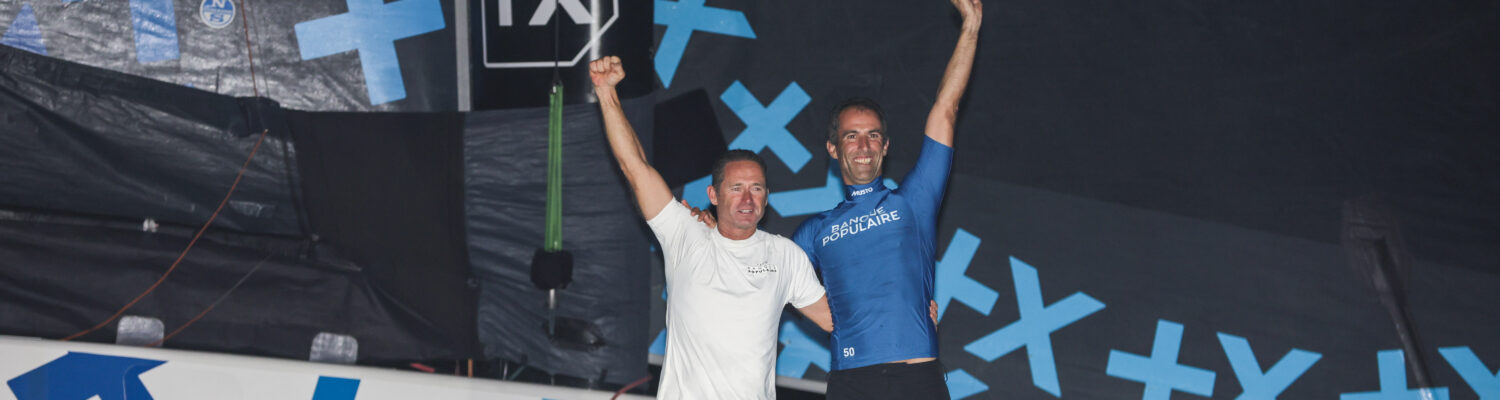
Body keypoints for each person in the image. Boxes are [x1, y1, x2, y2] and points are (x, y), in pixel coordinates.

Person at [589, 56, 833, 400]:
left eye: (757, 188)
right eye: (736, 188)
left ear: (766, 197)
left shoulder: (785, 255)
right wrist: (606, 93)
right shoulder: (684, 235)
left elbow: (834, 320)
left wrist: (910, 317)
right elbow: (635, 167)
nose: (748, 198)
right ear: (713, 195)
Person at [788, 0, 983, 398]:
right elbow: (766, 272)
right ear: (832, 148)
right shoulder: (814, 231)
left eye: (872, 135)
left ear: (886, 146)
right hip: (852, 382)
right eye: (850, 136)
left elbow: (945, 109)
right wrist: (832, 319)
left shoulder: (913, 201)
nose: (863, 145)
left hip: (917, 380)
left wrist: (971, 28)